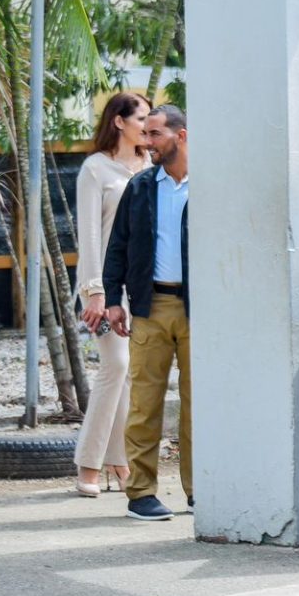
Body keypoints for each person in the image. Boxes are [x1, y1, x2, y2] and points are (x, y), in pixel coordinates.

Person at [101, 104, 190, 522]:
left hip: (198, 309)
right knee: (144, 403)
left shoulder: (210, 185)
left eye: (155, 134)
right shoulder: (140, 187)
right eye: (146, 134)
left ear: (181, 135)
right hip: (149, 307)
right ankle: (141, 494)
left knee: (199, 404)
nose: (147, 142)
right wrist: (114, 300)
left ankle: (200, 491)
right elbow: (118, 244)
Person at [71, 92, 151, 497]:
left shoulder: (153, 167)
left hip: (143, 288)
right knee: (115, 366)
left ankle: (120, 463)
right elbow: (88, 235)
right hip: (103, 288)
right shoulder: (95, 170)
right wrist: (94, 292)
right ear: (119, 121)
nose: (147, 126)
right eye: (141, 118)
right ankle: (88, 462)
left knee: (129, 374)